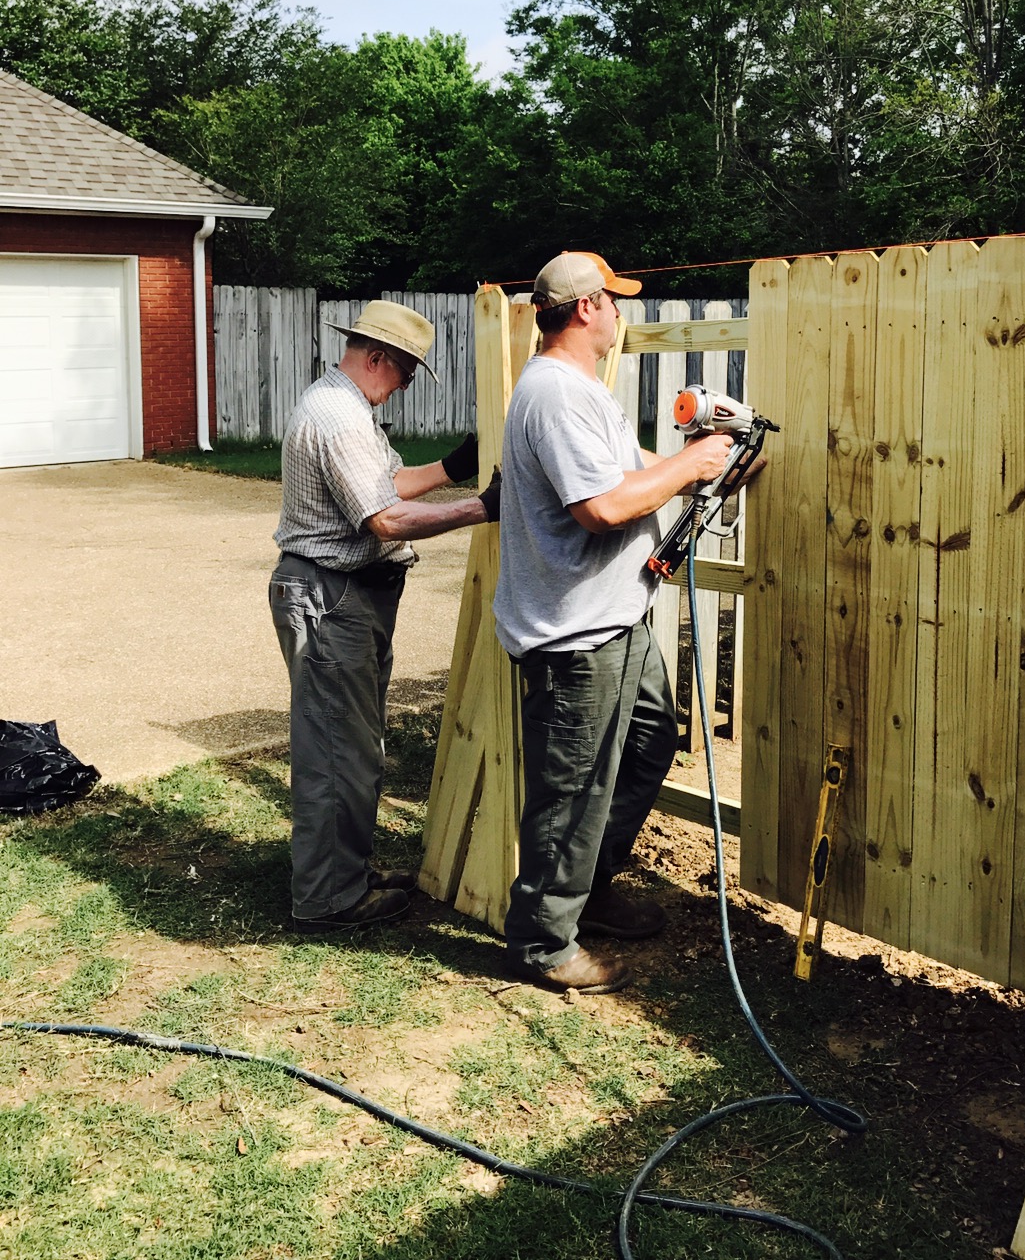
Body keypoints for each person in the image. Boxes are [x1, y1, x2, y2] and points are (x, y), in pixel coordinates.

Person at [494, 252, 741, 993]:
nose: (619, 313)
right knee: (571, 785)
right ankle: (542, 941)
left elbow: (639, 468)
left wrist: (719, 460)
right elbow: (600, 507)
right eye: (612, 301)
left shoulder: (585, 392)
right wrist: (691, 466)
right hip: (573, 634)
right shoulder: (553, 396)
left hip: (615, 617)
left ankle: (587, 887)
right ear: (584, 308)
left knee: (646, 745)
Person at [271, 299, 500, 932]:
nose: (400, 388)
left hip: (346, 594)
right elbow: (385, 520)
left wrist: (454, 466)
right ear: (376, 358)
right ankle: (328, 901)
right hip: (331, 595)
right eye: (402, 374)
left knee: (353, 746)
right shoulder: (339, 417)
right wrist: (481, 507)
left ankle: (346, 874)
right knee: (335, 751)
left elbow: (389, 484)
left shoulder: (347, 407)